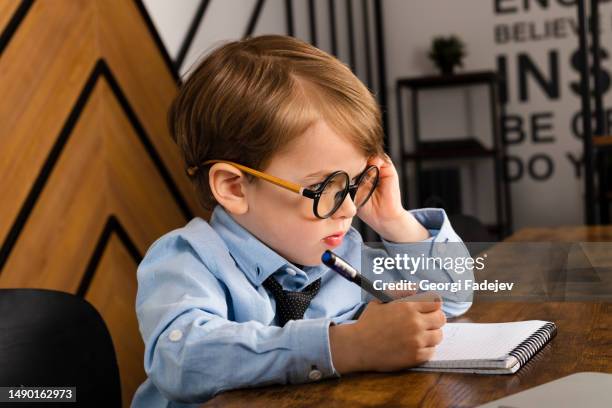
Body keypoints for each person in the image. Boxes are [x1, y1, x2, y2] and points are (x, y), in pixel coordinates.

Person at [132, 35, 473, 407]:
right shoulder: (187, 260)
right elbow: (182, 360)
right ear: (234, 187)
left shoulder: (343, 253)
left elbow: (452, 299)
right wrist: (346, 347)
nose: (347, 210)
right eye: (325, 186)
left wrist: (394, 220)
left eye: (355, 182)